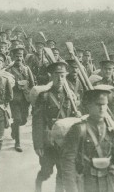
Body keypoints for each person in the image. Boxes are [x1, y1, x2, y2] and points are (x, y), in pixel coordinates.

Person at [61, 86, 114, 192]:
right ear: (89, 106)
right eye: (98, 104)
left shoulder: (111, 129)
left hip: (108, 181)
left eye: (104, 104)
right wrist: (72, 188)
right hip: (87, 182)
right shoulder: (79, 129)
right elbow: (68, 162)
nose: (102, 108)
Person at [32, 61, 79, 192]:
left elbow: (73, 119)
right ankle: (38, 183)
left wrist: (78, 114)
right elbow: (38, 121)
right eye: (57, 75)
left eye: (63, 75)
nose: (60, 79)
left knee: (62, 172)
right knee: (47, 171)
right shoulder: (44, 96)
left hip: (65, 140)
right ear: (50, 76)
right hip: (49, 141)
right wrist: (38, 144)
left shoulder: (70, 96)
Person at [6, 47, 34, 152]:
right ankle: (17, 143)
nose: (19, 58)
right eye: (17, 56)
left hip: (25, 99)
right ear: (13, 57)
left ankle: (14, 127)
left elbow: (32, 83)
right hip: (14, 99)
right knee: (17, 119)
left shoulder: (26, 69)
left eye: (21, 56)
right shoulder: (9, 70)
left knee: (24, 120)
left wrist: (32, 97)